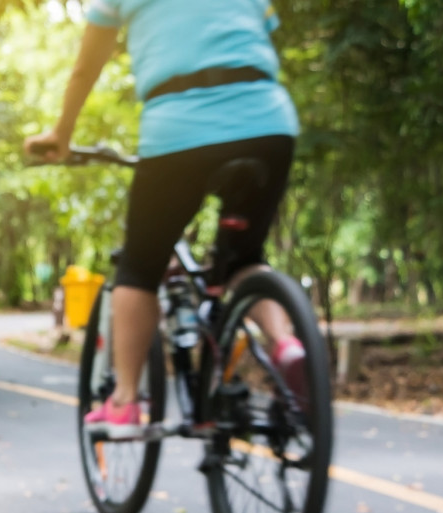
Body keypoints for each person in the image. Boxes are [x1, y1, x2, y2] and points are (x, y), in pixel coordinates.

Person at [25, 0, 306, 427]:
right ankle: (286, 343)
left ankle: (124, 400)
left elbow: (86, 66)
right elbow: (258, 37)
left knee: (139, 268)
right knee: (245, 259)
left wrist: (61, 134)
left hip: (179, 129)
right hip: (267, 123)